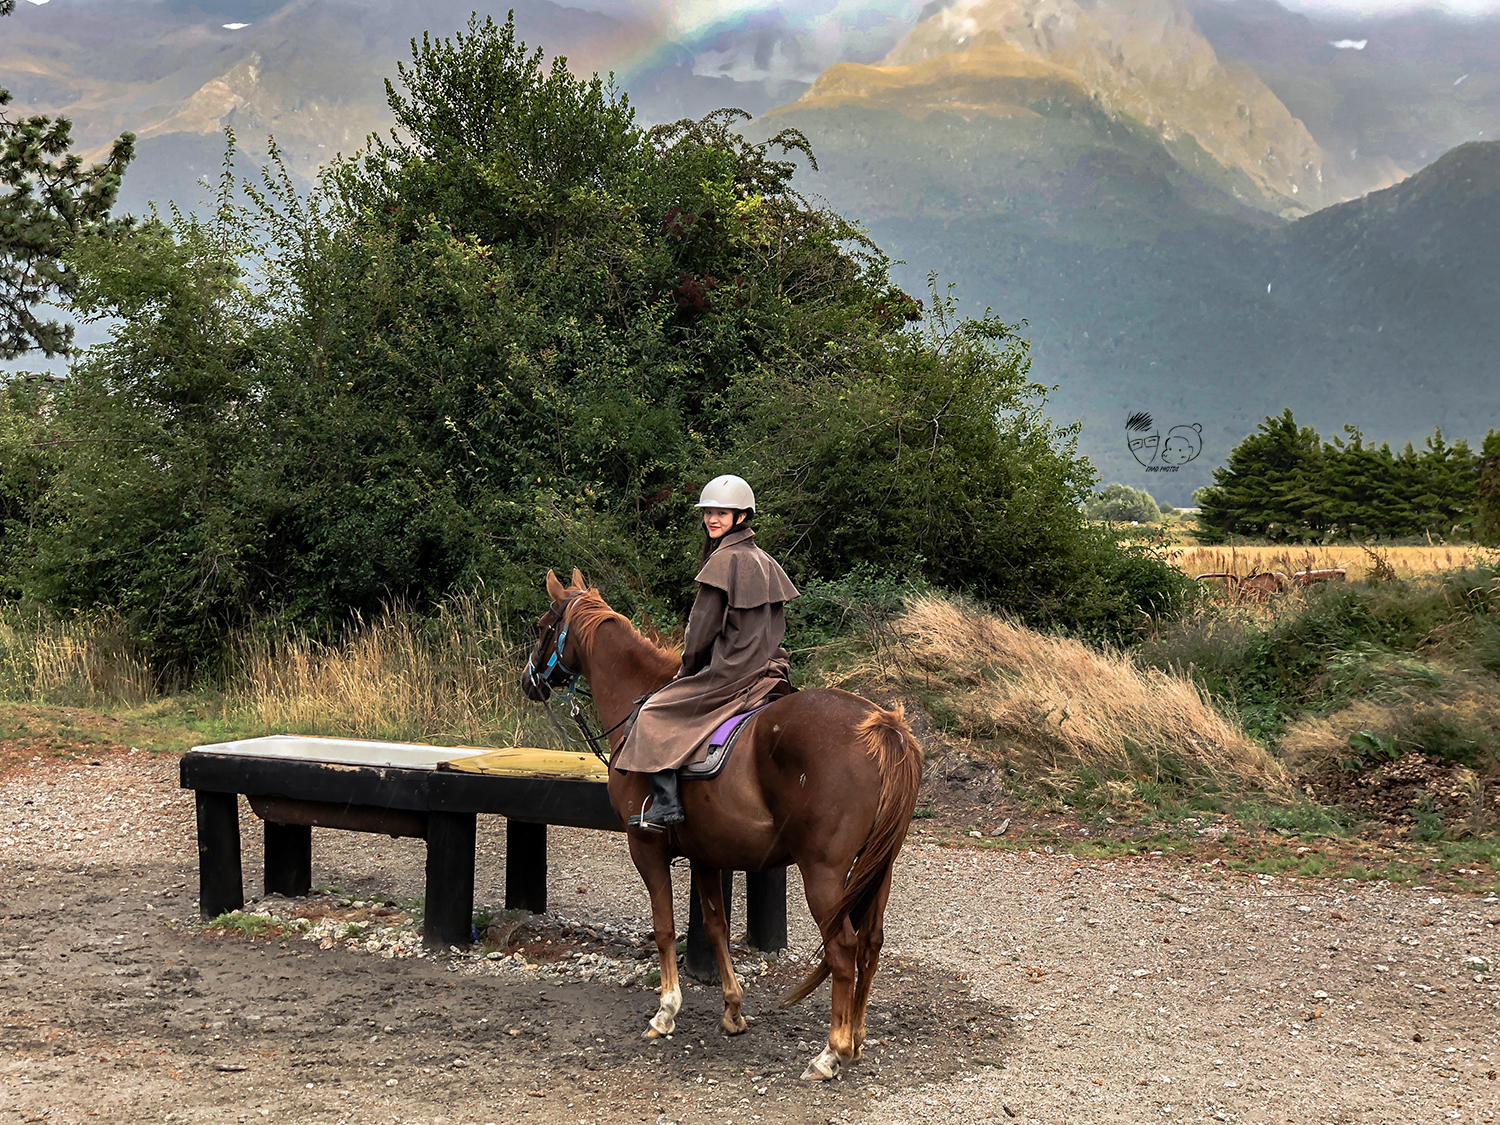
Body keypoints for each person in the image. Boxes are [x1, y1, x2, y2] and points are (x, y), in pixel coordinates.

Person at [616, 474, 799, 829]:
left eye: (722, 513)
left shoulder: (723, 562)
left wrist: (686, 672)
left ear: (741, 517)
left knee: (653, 711)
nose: (712, 519)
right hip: (768, 667)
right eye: (708, 512)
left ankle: (667, 804)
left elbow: (699, 634)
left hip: (731, 671)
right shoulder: (765, 561)